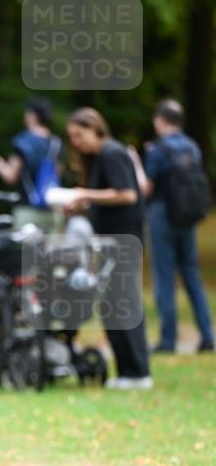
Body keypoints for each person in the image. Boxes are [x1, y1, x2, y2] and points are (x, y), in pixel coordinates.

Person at [65, 107, 152, 389]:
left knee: (122, 303)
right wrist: (84, 204)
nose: (76, 142)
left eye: (79, 135)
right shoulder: (99, 158)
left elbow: (127, 194)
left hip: (123, 238)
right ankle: (127, 371)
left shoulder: (112, 153)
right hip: (109, 238)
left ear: (94, 128)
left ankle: (138, 372)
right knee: (111, 303)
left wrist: (85, 194)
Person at [128, 99, 214, 353]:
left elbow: (146, 188)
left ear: (161, 120)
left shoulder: (158, 150)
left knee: (164, 276)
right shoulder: (192, 147)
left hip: (163, 214)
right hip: (187, 216)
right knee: (192, 274)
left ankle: (168, 339)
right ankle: (208, 335)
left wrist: (135, 162)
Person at [0, 97, 62, 232]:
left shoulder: (22, 141)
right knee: (51, 253)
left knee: (24, 252)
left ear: (32, 115)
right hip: (53, 209)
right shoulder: (57, 143)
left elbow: (11, 176)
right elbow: (57, 175)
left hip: (27, 210)